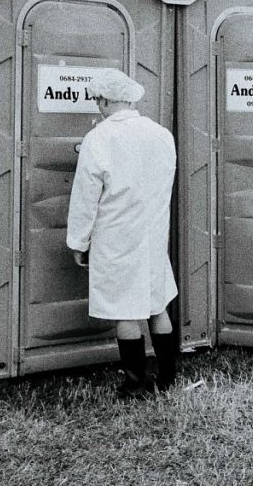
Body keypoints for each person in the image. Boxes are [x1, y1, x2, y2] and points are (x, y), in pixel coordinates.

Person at [66, 68, 179, 396]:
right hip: (153, 233)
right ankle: (167, 378)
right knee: (157, 304)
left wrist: (79, 240)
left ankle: (134, 384)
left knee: (125, 310)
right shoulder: (161, 134)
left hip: (117, 235)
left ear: (103, 100)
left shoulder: (98, 139)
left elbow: (86, 196)